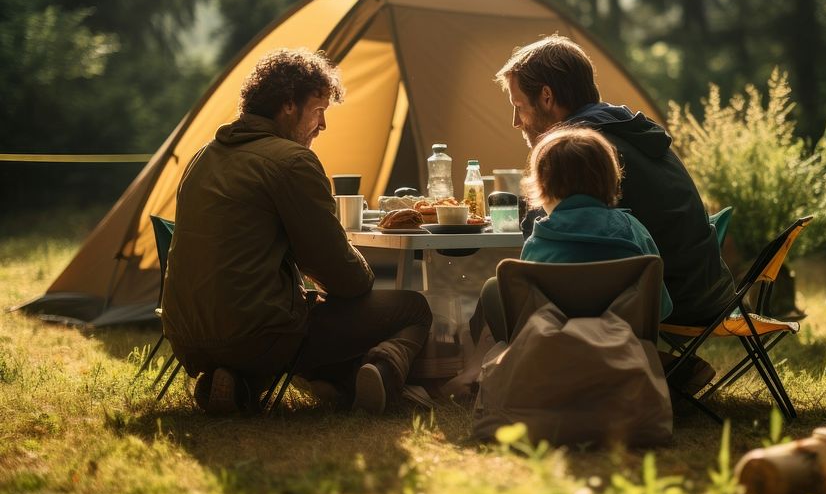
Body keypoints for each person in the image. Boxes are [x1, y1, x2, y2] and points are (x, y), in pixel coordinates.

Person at [161, 48, 430, 414]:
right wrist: (360, 280)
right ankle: (383, 371)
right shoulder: (292, 161)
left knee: (305, 319)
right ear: (289, 105)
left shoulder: (204, 156)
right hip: (257, 335)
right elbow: (340, 274)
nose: (323, 126)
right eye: (318, 112)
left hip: (185, 337)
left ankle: (241, 382)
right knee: (412, 307)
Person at [494, 34, 736, 392]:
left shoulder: (579, 150)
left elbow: (544, 248)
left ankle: (510, 375)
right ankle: (662, 366)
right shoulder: (626, 129)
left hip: (665, 300)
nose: (516, 121)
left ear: (546, 96)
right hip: (707, 287)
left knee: (503, 292)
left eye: (519, 106)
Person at [479, 126, 673, 339]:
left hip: (553, 358)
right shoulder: (633, 229)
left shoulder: (539, 241)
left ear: (543, 187)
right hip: (625, 357)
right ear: (610, 180)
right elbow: (661, 308)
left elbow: (526, 314)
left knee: (492, 289)